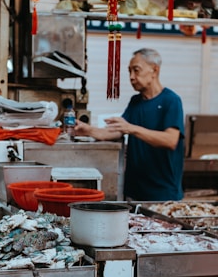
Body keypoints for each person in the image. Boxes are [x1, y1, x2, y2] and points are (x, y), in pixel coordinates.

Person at [74, 48, 185, 201]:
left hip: (163, 193)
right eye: (129, 72)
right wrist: (87, 130)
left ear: (154, 70)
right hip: (135, 192)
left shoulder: (171, 101)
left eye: (136, 70)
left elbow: (170, 140)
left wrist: (132, 128)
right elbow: (117, 131)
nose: (131, 77)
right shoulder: (136, 102)